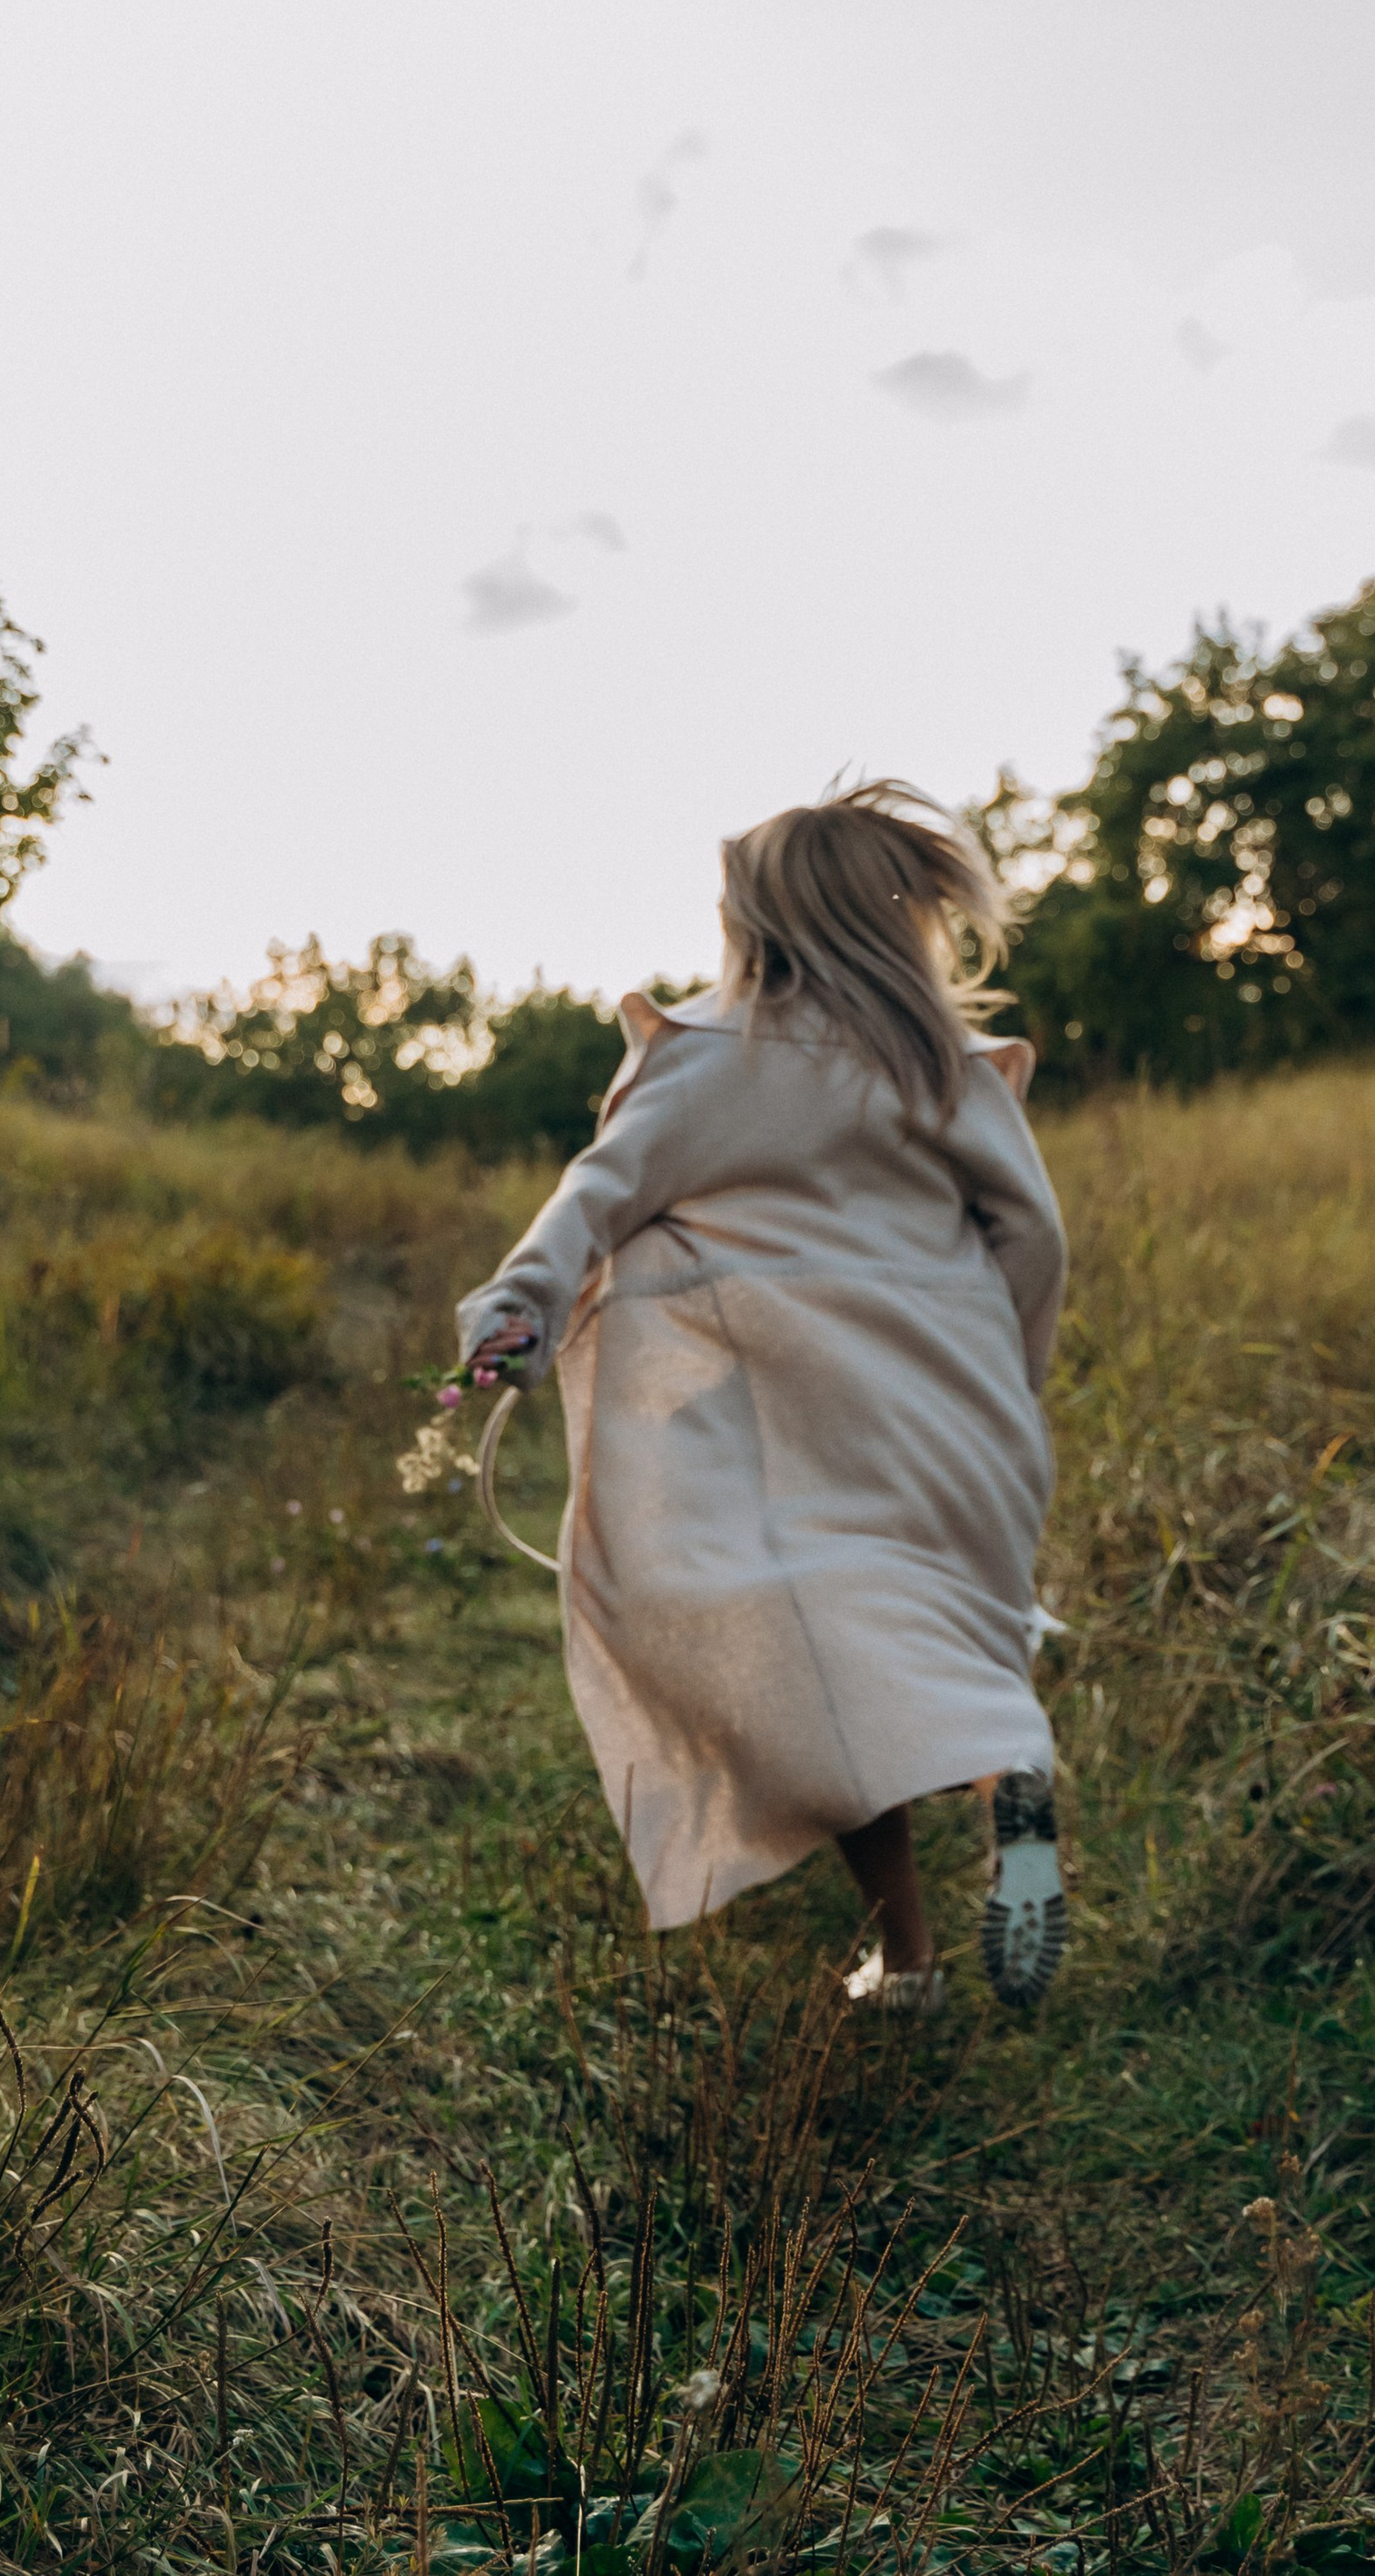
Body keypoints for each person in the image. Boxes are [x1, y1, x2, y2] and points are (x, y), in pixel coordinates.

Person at [456, 780, 1069, 2016]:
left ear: (758, 925)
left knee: (825, 1682)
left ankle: (909, 1962)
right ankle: (1012, 1775)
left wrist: (516, 1314)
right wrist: (1008, 1381)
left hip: (803, 1428)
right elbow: (1034, 1235)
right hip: (959, 1415)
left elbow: (592, 1204)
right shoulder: (940, 1064)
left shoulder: (706, 1063)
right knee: (945, 1632)